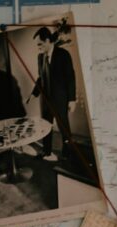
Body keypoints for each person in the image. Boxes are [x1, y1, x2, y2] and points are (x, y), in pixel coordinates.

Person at [27, 27, 76, 162]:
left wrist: (72, 99)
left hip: (60, 99)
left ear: (48, 40)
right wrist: (34, 94)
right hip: (46, 100)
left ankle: (67, 154)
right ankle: (46, 151)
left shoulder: (63, 54)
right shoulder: (40, 57)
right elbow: (40, 78)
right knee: (45, 126)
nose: (38, 47)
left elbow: (70, 77)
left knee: (64, 128)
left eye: (40, 44)